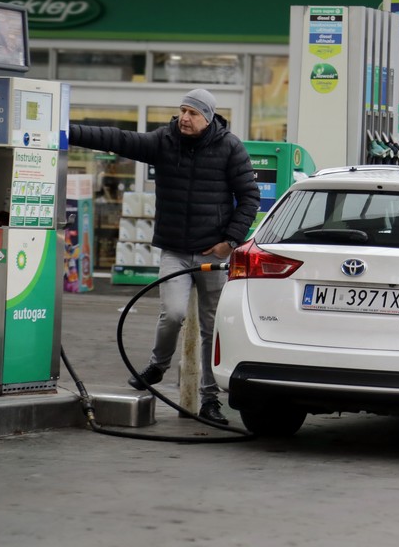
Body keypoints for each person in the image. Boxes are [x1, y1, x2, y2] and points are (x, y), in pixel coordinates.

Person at [68, 89, 260, 425]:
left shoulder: (230, 147)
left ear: (209, 117)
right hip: (175, 248)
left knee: (211, 329)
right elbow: (117, 138)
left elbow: (249, 197)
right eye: (182, 110)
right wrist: (66, 130)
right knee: (171, 313)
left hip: (212, 253)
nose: (185, 118)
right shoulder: (164, 141)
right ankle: (158, 365)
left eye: (193, 113)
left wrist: (229, 242)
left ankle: (210, 400)